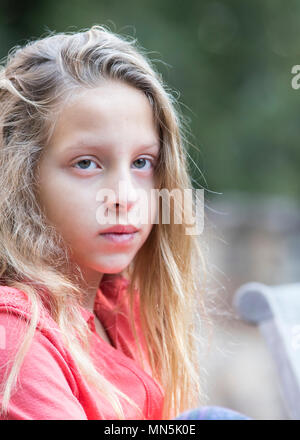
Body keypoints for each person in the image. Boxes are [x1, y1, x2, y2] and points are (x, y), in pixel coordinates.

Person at [0, 25, 251, 420]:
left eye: (142, 163)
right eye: (86, 163)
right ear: (22, 177)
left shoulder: (119, 306)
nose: (125, 196)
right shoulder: (14, 335)